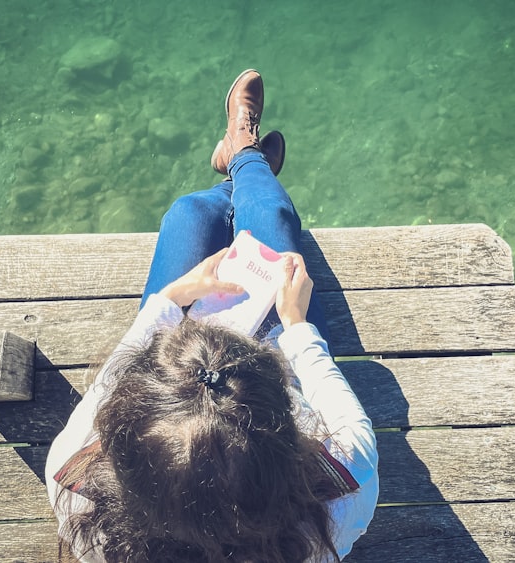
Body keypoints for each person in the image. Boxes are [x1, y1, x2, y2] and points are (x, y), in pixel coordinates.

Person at [45, 69, 379, 562]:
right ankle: (246, 161)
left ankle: (242, 172)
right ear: (286, 441)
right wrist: (297, 328)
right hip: (281, 350)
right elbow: (351, 425)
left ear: (123, 442)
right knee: (272, 223)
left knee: (187, 216)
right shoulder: (337, 497)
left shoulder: (79, 491)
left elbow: (107, 385)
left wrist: (172, 300)